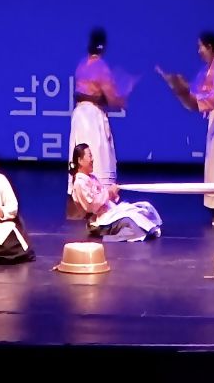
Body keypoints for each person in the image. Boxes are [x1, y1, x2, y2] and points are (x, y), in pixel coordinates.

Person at [158, 31, 214, 225]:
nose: (199, 51)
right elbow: (198, 90)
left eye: (201, 46)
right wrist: (181, 87)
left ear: (210, 46)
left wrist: (190, 95)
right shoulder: (210, 68)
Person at [67, 28, 134, 216]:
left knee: (81, 152)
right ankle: (100, 198)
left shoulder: (82, 64)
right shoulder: (101, 67)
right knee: (97, 154)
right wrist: (124, 95)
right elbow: (113, 99)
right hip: (92, 117)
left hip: (79, 114)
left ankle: (82, 199)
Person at [69, 143, 162, 242]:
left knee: (144, 209)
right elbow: (92, 206)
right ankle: (112, 238)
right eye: (90, 156)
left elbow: (104, 196)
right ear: (80, 160)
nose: (92, 159)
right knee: (131, 222)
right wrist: (109, 192)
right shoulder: (80, 183)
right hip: (100, 221)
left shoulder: (92, 178)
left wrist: (112, 193)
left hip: (109, 213)